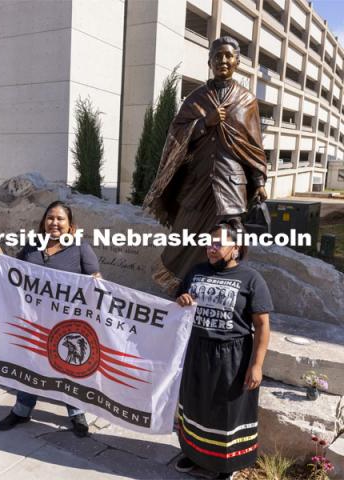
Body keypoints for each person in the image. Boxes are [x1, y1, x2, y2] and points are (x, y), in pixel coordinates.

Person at [143, 36, 268, 292]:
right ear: (209, 61)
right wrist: (203, 123)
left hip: (232, 186)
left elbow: (254, 145)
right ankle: (183, 288)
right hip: (197, 183)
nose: (223, 60)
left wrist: (259, 181)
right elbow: (176, 134)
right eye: (218, 56)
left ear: (237, 61)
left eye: (228, 56)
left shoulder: (247, 100)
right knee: (184, 237)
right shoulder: (196, 98)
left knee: (226, 241)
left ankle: (219, 289)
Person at [0, 200, 101, 437]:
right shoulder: (33, 245)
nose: (55, 223)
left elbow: (94, 279)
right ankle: (22, 410)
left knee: (69, 365)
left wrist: (96, 281)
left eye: (60, 219)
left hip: (67, 322)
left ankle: (76, 412)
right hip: (34, 320)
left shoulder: (80, 247)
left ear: (70, 226)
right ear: (43, 222)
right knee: (31, 362)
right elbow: (16, 271)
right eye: (50, 218)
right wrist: (0, 257)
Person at [174, 221, 272, 480]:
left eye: (218, 243)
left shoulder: (251, 279)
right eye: (209, 243)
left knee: (225, 413)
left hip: (233, 357)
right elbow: (179, 302)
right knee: (195, 405)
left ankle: (225, 465)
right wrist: (181, 300)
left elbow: (262, 326)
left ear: (236, 247)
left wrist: (257, 365)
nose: (211, 248)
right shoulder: (195, 272)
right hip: (197, 351)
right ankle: (193, 453)